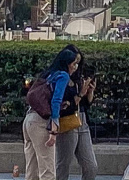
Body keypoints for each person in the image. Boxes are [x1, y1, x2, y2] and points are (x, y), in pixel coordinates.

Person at [21, 46, 79, 180]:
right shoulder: (63, 76)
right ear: (67, 64)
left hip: (29, 120)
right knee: (48, 171)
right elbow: (56, 100)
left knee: (32, 171)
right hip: (41, 122)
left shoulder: (48, 74)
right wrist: (54, 128)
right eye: (74, 63)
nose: (75, 67)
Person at [56, 53, 99, 180]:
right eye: (74, 63)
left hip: (82, 120)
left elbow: (86, 104)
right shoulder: (64, 79)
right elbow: (66, 105)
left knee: (91, 166)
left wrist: (89, 92)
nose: (76, 67)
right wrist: (81, 93)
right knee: (63, 164)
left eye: (78, 63)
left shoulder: (79, 79)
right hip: (68, 121)